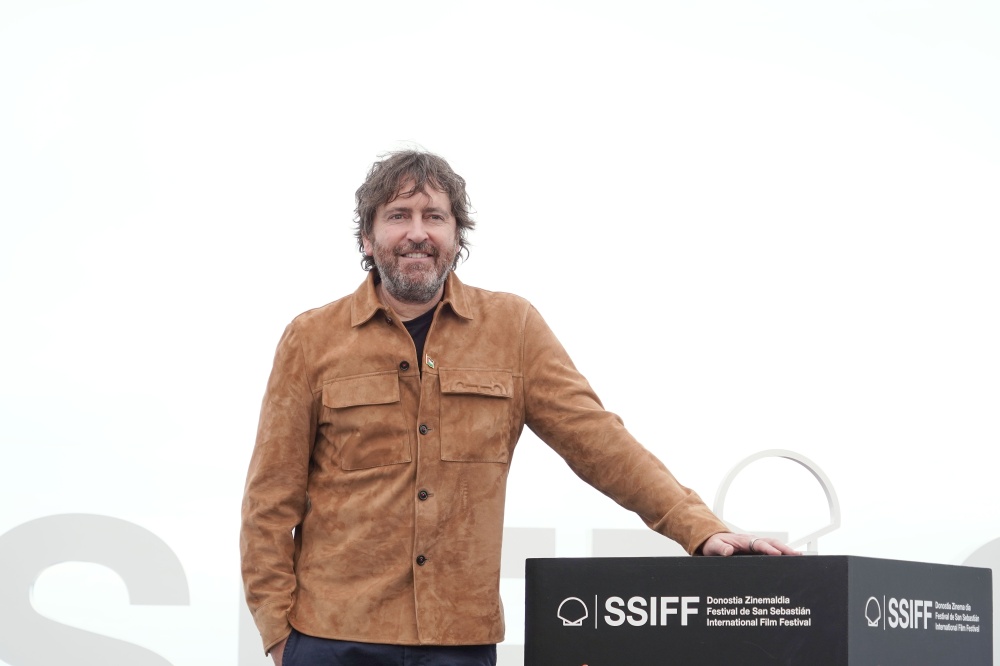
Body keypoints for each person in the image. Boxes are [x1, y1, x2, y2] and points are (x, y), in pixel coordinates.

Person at [240, 150, 799, 666]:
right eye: (398, 216)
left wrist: (697, 528)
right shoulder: (310, 339)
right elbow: (269, 500)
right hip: (332, 639)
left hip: (460, 641)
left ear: (457, 235)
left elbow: (599, 441)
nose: (417, 233)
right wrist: (280, 638)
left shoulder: (513, 328)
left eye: (434, 217)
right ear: (367, 237)